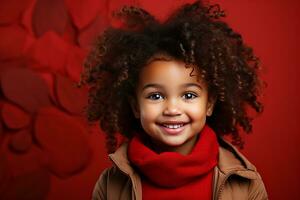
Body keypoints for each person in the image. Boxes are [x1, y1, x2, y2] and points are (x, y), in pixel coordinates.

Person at [79, 1, 268, 199]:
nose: (172, 109)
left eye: (188, 95)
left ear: (210, 103)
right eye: (156, 96)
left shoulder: (245, 182)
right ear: (135, 105)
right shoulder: (111, 184)